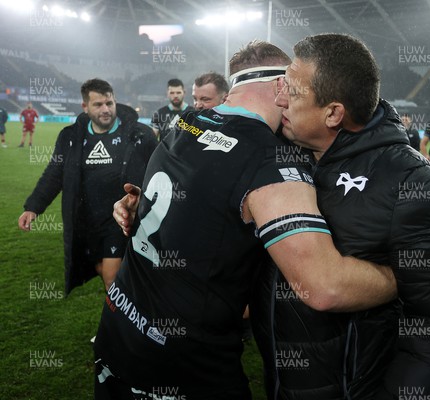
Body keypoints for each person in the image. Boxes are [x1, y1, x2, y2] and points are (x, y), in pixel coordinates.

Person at [96, 41, 397, 400]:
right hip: (185, 366)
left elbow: (184, 198)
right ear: (279, 85)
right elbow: (324, 286)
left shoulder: (184, 123)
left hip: (119, 331)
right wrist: (405, 276)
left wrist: (134, 203)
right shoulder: (269, 161)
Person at [253, 33, 430, 400]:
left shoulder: (408, 179)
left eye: (291, 91)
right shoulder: (279, 150)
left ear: (333, 113)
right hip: (280, 381)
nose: (278, 99)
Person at [18, 78, 157, 295]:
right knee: (102, 270)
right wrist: (33, 207)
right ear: (85, 107)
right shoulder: (71, 137)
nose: (106, 109)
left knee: (112, 280)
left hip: (119, 220)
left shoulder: (139, 135)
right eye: (98, 104)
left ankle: (116, 328)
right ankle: (131, 312)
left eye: (109, 103)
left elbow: (158, 172)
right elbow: (54, 174)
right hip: (84, 221)